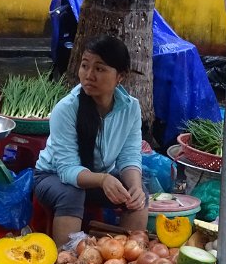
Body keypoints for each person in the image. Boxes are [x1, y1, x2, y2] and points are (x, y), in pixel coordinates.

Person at [34, 35, 149, 248]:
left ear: (120, 77)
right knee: (71, 193)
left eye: (100, 69)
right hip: (52, 177)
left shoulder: (130, 108)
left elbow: (129, 156)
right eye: (85, 66)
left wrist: (135, 187)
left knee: (137, 195)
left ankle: (127, 257)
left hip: (98, 177)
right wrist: (103, 179)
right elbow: (67, 169)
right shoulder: (67, 109)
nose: (89, 75)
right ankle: (68, 263)